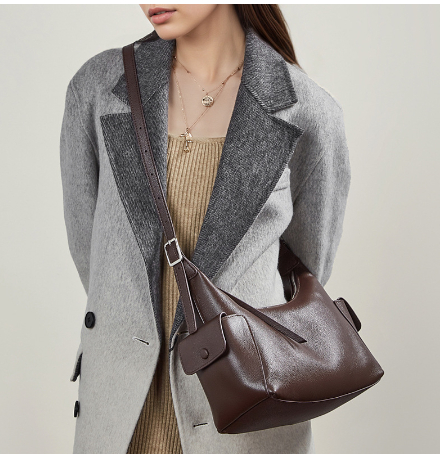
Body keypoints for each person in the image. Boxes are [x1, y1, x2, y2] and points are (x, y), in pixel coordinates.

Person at [60, 4, 351, 454]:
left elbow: (306, 274)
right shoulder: (98, 88)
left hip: (243, 424)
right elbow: (93, 256)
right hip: (117, 415)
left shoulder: (309, 113)